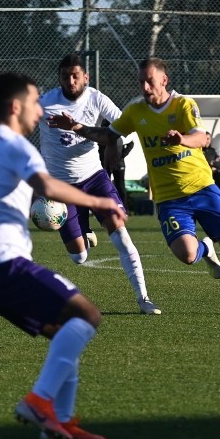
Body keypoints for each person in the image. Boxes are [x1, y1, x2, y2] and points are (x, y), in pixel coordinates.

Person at [0, 71, 121, 439]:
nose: (40, 110)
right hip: (7, 263)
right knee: (88, 315)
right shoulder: (17, 146)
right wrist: (101, 200)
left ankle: (59, 422)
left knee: (65, 332)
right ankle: (39, 402)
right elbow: (48, 186)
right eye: (35, 102)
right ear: (16, 106)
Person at [49, 57, 220, 317]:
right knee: (187, 254)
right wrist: (78, 127)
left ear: (164, 81)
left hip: (202, 188)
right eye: (141, 82)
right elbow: (109, 136)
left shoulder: (183, 105)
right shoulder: (136, 111)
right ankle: (205, 248)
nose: (145, 87)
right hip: (170, 199)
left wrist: (182, 139)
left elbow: (202, 137)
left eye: (150, 82)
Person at [40, 53, 160, 315]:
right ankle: (85, 235)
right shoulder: (44, 104)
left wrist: (113, 149)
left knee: (121, 235)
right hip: (62, 188)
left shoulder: (97, 98)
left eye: (75, 76)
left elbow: (121, 128)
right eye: (65, 76)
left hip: (95, 179)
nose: (70, 81)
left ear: (86, 77)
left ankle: (144, 299)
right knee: (79, 257)